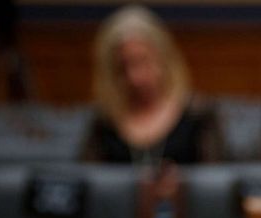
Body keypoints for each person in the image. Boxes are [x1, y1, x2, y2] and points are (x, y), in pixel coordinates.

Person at [84, 5, 221, 165]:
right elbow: (87, 180)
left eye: (143, 61)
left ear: (163, 58)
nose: (135, 77)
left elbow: (218, 180)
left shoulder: (198, 115)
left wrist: (184, 186)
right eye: (122, 68)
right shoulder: (104, 121)